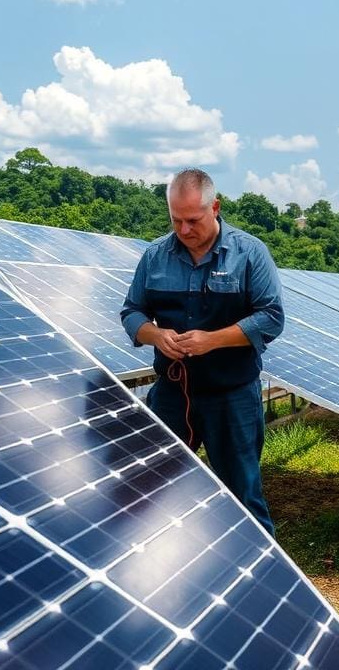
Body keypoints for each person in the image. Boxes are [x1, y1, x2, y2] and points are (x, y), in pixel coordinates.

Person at [121, 168, 285, 536]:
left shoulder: (249, 254)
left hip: (232, 396)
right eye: (175, 220)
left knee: (242, 493)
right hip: (172, 394)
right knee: (152, 485)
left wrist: (212, 340)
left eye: (192, 220)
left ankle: (259, 578)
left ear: (216, 208)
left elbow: (272, 318)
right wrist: (155, 335)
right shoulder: (155, 256)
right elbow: (132, 312)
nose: (183, 230)